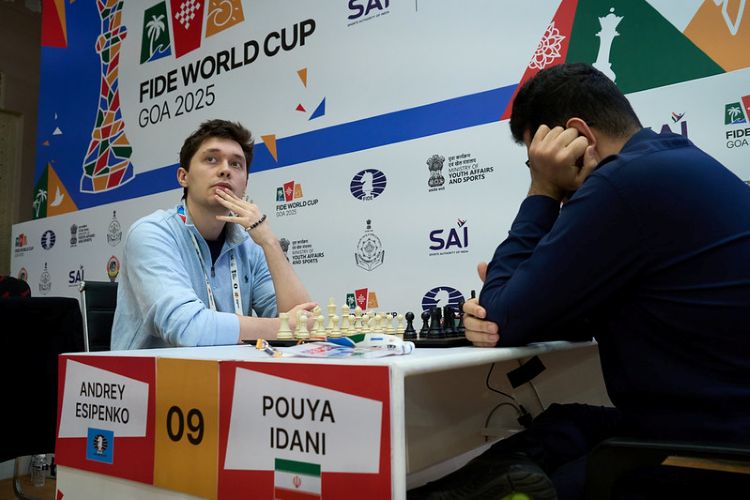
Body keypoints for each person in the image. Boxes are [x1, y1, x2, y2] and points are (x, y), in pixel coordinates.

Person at [410, 63, 750, 498]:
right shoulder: (673, 163)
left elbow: (501, 318)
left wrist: (542, 188)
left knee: (537, 478)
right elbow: (559, 311)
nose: (542, 170)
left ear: (578, 137)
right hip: (711, 426)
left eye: (537, 158)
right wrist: (516, 299)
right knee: (560, 424)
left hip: (706, 454)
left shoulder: (622, 183)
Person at [112, 119, 315, 349]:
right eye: (211, 159)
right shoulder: (151, 234)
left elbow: (306, 328)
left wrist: (269, 242)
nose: (225, 170)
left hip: (229, 369)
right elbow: (188, 329)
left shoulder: (250, 246)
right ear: (183, 177)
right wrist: (283, 328)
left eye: (236, 164)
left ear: (245, 185)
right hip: (153, 371)